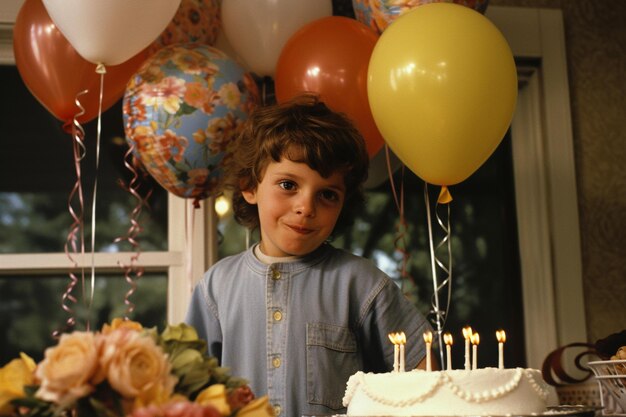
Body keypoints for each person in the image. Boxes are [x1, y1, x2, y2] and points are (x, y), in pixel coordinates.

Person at [185, 93, 432, 417]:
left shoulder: (362, 284)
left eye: (327, 194)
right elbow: (189, 387)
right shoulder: (216, 286)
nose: (306, 207)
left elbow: (424, 374)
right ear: (249, 186)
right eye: (288, 185)